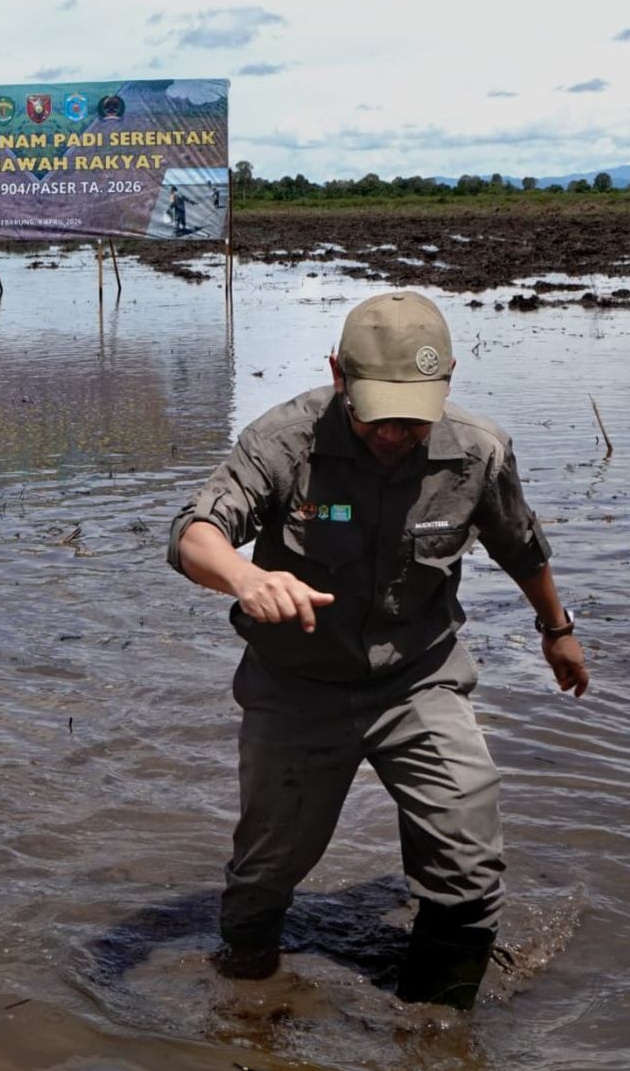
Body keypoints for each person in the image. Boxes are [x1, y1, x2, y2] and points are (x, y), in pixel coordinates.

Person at [169, 291, 587, 1006]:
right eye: (377, 410)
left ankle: (436, 1031)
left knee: (469, 863)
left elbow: (521, 544)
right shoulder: (282, 441)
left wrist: (557, 630)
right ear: (338, 374)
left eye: (413, 412)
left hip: (418, 681)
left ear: (449, 377)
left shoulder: (476, 452)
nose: (395, 431)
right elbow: (194, 530)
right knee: (267, 868)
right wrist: (245, 575)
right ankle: (246, 997)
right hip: (297, 687)